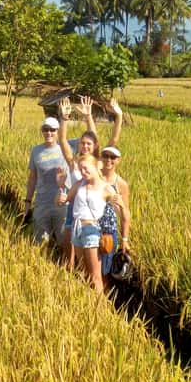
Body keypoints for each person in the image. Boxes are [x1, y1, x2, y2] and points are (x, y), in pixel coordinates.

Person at [56, 95, 123, 267]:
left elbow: (112, 141)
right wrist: (64, 118)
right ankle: (73, 281)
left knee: (92, 260)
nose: (85, 146)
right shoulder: (74, 163)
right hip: (74, 208)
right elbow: (62, 141)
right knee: (68, 250)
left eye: (88, 144)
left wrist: (92, 116)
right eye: (82, 143)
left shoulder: (97, 163)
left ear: (94, 146)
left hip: (92, 214)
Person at [57, 154, 129, 294]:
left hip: (91, 231)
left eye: (85, 168)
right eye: (80, 169)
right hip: (76, 229)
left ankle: (101, 310)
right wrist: (61, 188)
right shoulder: (79, 184)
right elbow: (62, 201)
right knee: (84, 273)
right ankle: (90, 306)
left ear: (96, 166)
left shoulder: (106, 188)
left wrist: (125, 238)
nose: (83, 172)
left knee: (96, 277)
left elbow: (124, 216)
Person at [24, 116, 71, 246]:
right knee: (40, 243)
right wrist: (28, 202)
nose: (49, 133)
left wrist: (68, 118)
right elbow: (32, 178)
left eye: (52, 130)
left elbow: (92, 141)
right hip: (42, 204)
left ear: (58, 132)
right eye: (45, 129)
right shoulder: (36, 151)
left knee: (64, 243)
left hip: (62, 205)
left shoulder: (67, 147)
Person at [98, 145, 130, 289]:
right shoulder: (94, 176)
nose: (109, 160)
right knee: (89, 268)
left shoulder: (121, 184)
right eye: (106, 156)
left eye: (113, 157)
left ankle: (102, 303)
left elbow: (125, 214)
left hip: (108, 233)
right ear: (101, 157)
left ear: (118, 160)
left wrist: (124, 239)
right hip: (90, 229)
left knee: (104, 272)